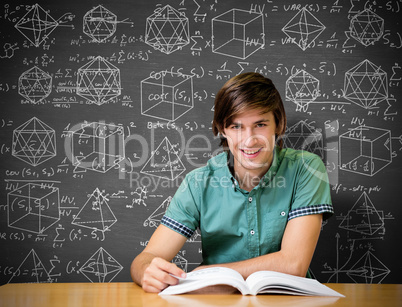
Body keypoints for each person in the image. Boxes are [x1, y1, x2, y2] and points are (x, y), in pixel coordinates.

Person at [131, 72, 333, 293]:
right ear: (222, 129)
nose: (249, 139)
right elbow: (146, 259)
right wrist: (146, 272)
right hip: (216, 300)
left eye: (260, 124)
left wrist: (209, 272)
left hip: (288, 300)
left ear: (279, 123)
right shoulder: (198, 183)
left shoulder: (306, 168)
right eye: (237, 127)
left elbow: (293, 264)